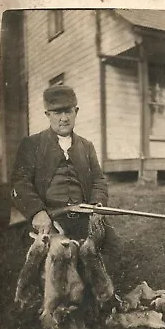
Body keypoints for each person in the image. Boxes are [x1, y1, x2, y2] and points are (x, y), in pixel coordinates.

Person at [11, 84, 112, 243]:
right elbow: (20, 182)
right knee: (56, 259)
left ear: (76, 112)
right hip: (49, 218)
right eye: (58, 112)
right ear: (47, 114)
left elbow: (98, 180)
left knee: (110, 252)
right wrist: (37, 212)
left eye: (68, 111)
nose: (64, 118)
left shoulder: (86, 146)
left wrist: (97, 205)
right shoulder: (32, 144)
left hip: (84, 217)